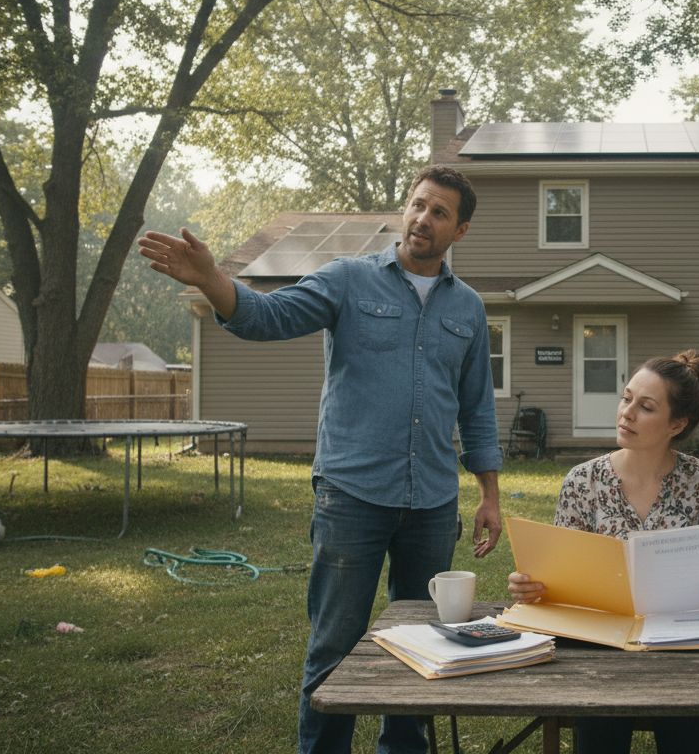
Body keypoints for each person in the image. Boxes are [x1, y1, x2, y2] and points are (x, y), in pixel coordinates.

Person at [136, 165, 503, 754]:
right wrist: (212, 278)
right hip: (352, 496)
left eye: (439, 213)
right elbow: (266, 318)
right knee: (335, 644)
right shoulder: (349, 280)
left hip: (433, 504)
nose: (421, 219)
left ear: (460, 230)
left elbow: (476, 407)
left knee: (422, 644)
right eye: (416, 205)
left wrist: (489, 494)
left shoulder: (469, 309)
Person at [506, 351, 699, 754]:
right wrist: (534, 586)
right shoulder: (583, 481)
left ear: (677, 424)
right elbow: (560, 580)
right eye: (626, 399)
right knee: (599, 732)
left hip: (684, 652)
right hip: (600, 650)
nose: (627, 413)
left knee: (686, 735)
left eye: (646, 407)